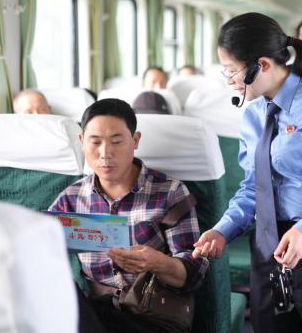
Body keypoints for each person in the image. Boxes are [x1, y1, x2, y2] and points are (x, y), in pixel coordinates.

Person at [193, 12, 302, 333]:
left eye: (232, 70)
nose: (229, 80)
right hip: (270, 247)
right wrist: (223, 230)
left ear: (261, 65)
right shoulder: (253, 116)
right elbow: (254, 188)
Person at [49, 98, 209, 333]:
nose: (105, 153)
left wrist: (157, 262)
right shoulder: (71, 199)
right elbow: (39, 248)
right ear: (81, 142)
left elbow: (195, 273)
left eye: (116, 141)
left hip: (151, 312)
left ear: (135, 140)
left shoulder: (169, 193)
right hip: (95, 312)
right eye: (95, 142)